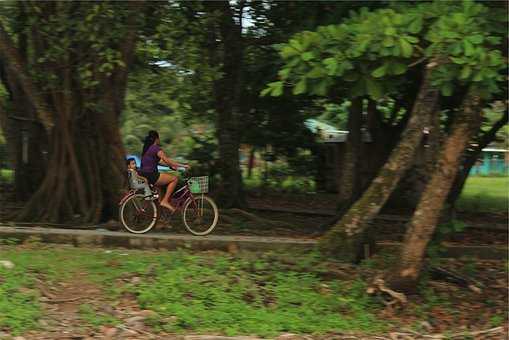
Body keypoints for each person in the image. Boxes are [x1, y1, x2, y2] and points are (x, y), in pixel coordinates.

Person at [139, 130, 189, 212]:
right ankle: (165, 201)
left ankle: (159, 214)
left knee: (159, 192)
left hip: (143, 174)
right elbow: (167, 160)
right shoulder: (156, 148)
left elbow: (160, 162)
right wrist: (183, 165)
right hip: (151, 175)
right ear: (156, 139)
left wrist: (171, 167)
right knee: (174, 179)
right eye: (159, 138)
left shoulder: (147, 149)